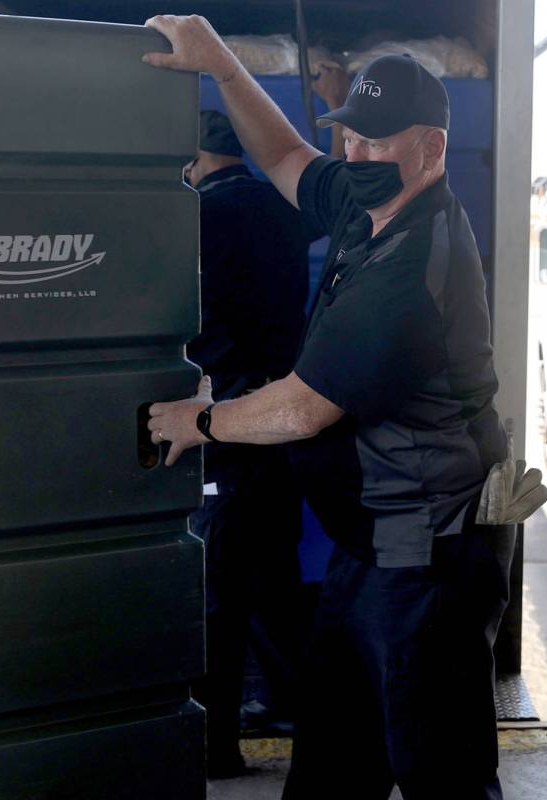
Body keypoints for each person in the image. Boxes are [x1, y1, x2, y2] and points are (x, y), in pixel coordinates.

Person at [143, 15, 516, 799]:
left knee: (438, 767)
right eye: (351, 136)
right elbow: (284, 155)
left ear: (431, 148)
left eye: (376, 142)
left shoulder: (416, 267)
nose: (355, 154)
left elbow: (304, 410)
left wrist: (198, 421)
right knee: (334, 763)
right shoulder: (368, 200)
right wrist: (222, 68)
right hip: (371, 546)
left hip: (429, 555)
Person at [184, 110, 318, 779]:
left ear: (196, 157)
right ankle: (294, 705)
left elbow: (189, 321)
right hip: (281, 415)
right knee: (272, 577)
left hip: (224, 419)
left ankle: (213, 747)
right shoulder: (283, 209)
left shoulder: (198, 217)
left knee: (218, 594)